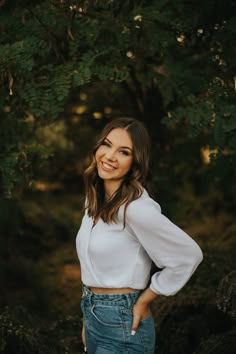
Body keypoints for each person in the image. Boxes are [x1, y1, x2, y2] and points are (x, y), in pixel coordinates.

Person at [76, 117, 203, 354]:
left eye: (123, 152)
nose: (110, 156)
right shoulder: (94, 199)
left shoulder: (136, 208)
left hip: (124, 323)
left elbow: (189, 255)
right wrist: (89, 317)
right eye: (107, 144)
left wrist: (145, 299)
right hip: (93, 317)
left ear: (135, 162)